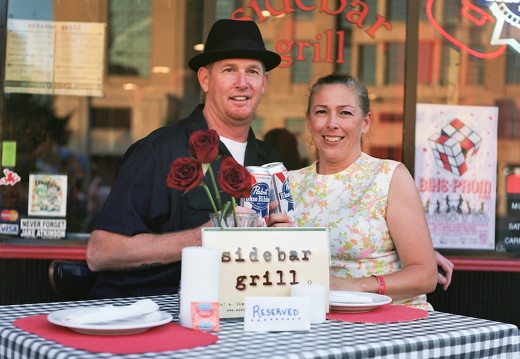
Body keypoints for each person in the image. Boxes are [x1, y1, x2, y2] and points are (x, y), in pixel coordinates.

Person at [86, 19, 283, 298]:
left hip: (241, 316)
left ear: (264, 83)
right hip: (151, 317)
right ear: (205, 79)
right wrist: (202, 237)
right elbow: (100, 252)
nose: (243, 83)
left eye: (252, 71)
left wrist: (284, 238)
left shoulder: (270, 160)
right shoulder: (159, 151)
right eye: (229, 70)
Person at [269, 73, 443, 309]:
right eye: (321, 112)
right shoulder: (287, 184)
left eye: (345, 112)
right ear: (309, 122)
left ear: (366, 122)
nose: (332, 123)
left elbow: (425, 275)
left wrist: (357, 285)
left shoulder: (388, 176)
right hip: (316, 319)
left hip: (389, 321)